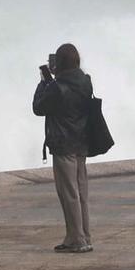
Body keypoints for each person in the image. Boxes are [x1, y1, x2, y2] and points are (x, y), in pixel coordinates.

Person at [33, 42, 94, 253]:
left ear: (58, 63)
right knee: (81, 192)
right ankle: (82, 235)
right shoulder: (86, 82)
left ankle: (77, 239)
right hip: (82, 143)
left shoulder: (57, 87)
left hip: (63, 144)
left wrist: (44, 82)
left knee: (69, 193)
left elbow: (38, 107)